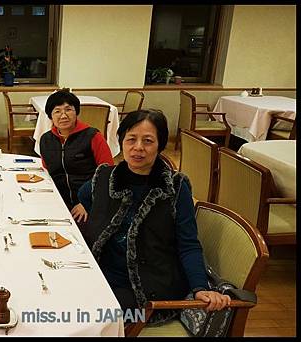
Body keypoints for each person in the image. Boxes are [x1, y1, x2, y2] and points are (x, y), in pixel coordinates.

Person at [82, 109, 230, 324]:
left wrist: (200, 287)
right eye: (131, 139)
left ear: (160, 146)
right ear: (121, 141)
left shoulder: (176, 188)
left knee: (86, 317)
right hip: (100, 273)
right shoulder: (104, 177)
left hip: (146, 287)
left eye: (148, 141)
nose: (138, 147)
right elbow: (84, 195)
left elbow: (188, 244)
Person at [39, 89, 113, 223]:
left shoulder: (93, 136)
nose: (63, 115)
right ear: (50, 116)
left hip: (86, 204)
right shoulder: (45, 140)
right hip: (57, 201)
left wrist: (87, 203)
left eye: (68, 109)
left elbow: (107, 174)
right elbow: (46, 171)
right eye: (57, 111)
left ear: (76, 112)